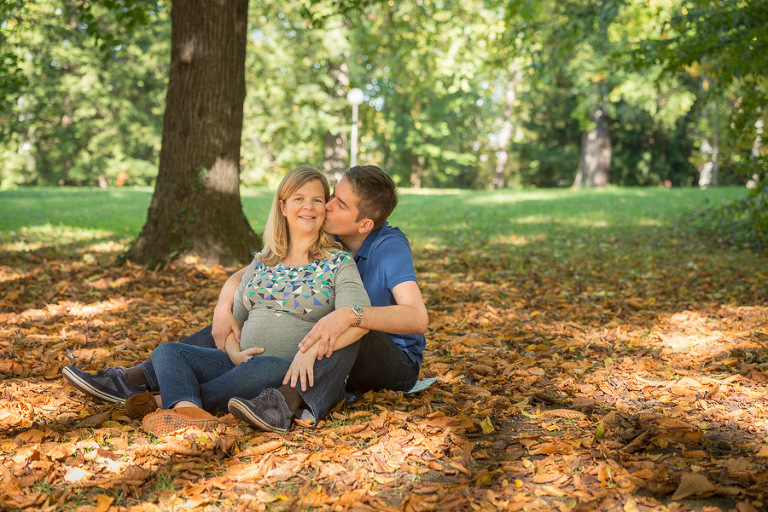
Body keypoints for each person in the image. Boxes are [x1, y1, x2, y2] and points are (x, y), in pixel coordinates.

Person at [63, 165, 429, 433]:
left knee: (347, 325)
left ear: (364, 224)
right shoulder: (325, 233)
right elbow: (255, 273)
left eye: (336, 203)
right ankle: (153, 384)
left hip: (387, 358)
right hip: (300, 346)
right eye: (328, 196)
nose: (326, 206)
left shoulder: (384, 248)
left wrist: (349, 315)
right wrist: (225, 306)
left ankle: (284, 400)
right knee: (188, 345)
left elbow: (416, 318)